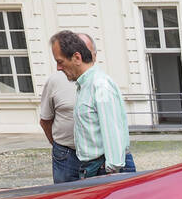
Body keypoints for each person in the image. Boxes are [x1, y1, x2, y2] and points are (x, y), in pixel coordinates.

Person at [50, 30, 135, 179]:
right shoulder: (85, 85)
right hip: (96, 167)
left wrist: (112, 175)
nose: (58, 68)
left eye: (60, 62)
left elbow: (112, 131)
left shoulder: (100, 85)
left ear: (77, 57)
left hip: (106, 170)